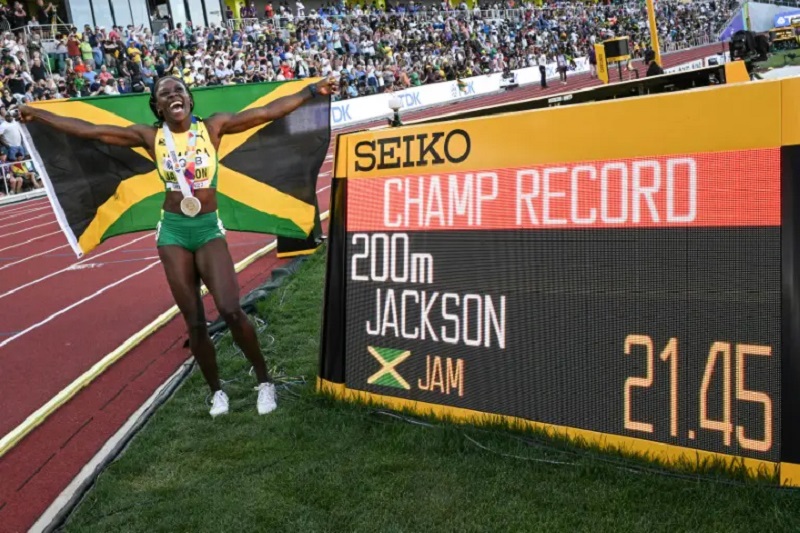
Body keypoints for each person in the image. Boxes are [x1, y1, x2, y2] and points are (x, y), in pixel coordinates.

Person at [19, 75, 338, 418]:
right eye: (164, 93)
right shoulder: (150, 136)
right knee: (195, 321)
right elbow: (90, 130)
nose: (173, 95)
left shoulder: (213, 127)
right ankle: (217, 392)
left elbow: (267, 112)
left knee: (231, 309)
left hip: (207, 229)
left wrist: (310, 91)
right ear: (157, 106)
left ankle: (264, 382)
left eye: (179, 90)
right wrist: (40, 116)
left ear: (189, 99)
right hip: (173, 232)